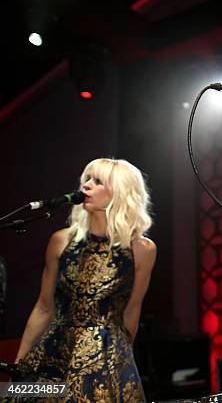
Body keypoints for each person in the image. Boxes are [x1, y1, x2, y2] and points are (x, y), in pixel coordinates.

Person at [13, 158, 156, 402]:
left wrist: (122, 361)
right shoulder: (61, 240)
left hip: (106, 359)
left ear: (119, 192)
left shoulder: (142, 249)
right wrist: (18, 363)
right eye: (86, 180)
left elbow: (132, 310)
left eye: (97, 181)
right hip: (54, 354)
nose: (86, 186)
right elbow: (44, 306)